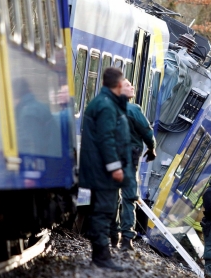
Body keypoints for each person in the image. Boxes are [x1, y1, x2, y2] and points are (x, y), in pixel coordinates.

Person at [78, 67, 132, 271]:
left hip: (99, 169)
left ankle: (101, 255)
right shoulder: (107, 106)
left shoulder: (103, 102)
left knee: (102, 211)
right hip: (103, 171)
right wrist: (115, 167)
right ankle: (101, 256)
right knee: (104, 211)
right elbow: (106, 139)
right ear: (118, 85)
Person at [110, 79, 156, 251]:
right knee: (129, 196)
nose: (133, 87)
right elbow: (147, 132)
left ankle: (113, 234)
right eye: (129, 86)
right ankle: (127, 238)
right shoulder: (133, 109)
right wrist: (152, 149)